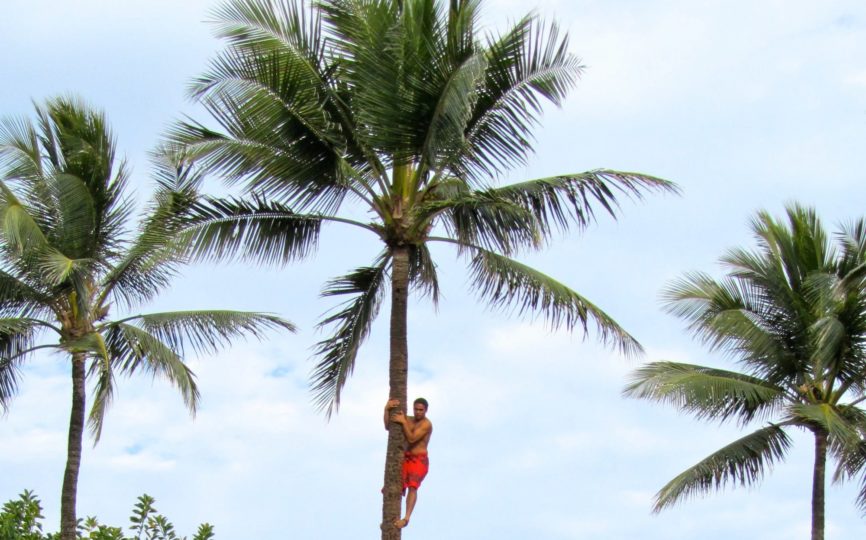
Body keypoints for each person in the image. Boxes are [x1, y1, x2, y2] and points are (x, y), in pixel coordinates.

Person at [384, 397, 433, 529]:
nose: (418, 412)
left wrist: (402, 422)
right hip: (405, 457)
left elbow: (411, 438)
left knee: (413, 486)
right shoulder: (408, 419)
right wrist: (386, 409)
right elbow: (389, 426)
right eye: (416, 409)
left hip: (419, 460)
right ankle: (390, 519)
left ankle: (406, 518)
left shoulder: (426, 424)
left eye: (421, 410)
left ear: (426, 410)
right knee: (393, 485)